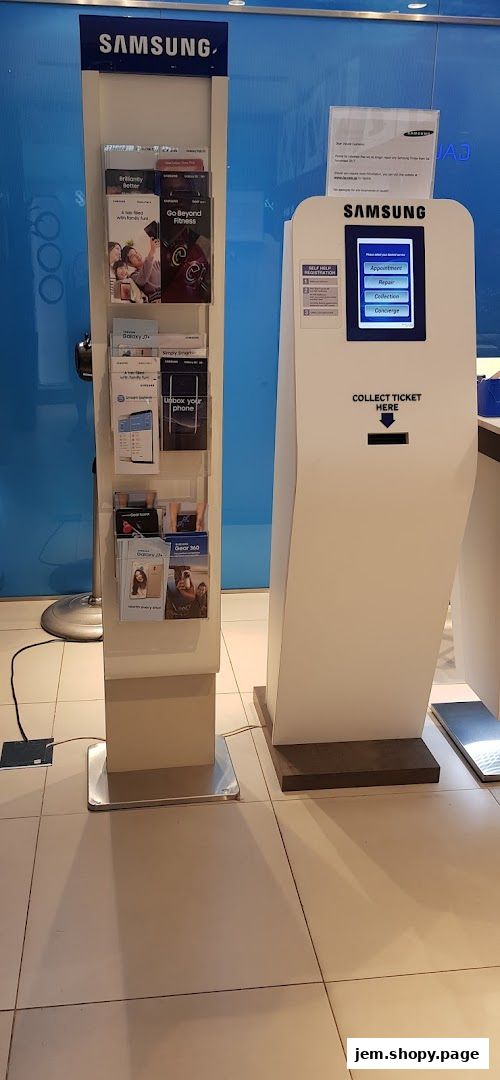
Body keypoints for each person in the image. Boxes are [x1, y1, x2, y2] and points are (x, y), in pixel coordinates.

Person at [122, 237, 161, 301]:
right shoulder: (134, 275)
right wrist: (152, 251)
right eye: (132, 256)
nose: (137, 255)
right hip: (157, 300)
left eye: (136, 252)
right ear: (130, 264)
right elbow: (142, 280)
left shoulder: (156, 263)